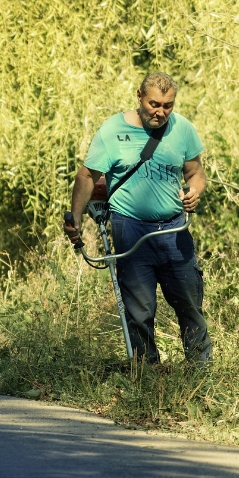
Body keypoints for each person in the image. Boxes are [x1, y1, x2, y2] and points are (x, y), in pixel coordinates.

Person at [64, 72, 212, 364]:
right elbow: (87, 176)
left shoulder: (182, 129)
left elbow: (195, 173)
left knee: (189, 304)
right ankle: (147, 374)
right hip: (130, 228)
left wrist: (194, 191)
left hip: (173, 230)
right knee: (140, 310)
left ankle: (200, 371)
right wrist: (76, 220)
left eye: (168, 105)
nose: (160, 112)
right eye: (154, 104)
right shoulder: (112, 130)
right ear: (139, 97)